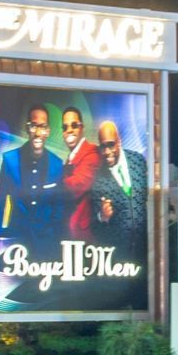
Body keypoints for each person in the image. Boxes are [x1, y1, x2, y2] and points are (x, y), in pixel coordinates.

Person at [0, 103, 62, 248]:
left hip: (47, 245)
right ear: (27, 128)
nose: (38, 133)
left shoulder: (57, 164)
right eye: (34, 126)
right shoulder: (9, 160)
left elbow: (59, 208)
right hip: (14, 242)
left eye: (43, 127)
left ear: (48, 131)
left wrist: (56, 239)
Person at [90, 120, 148, 263]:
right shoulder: (97, 180)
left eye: (110, 145)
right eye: (102, 147)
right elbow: (95, 226)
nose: (107, 152)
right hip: (120, 257)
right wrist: (102, 216)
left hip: (145, 251)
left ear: (119, 141)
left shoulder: (138, 161)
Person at [53, 106, 99, 241]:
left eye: (74, 125)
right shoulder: (70, 158)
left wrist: (49, 180)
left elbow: (77, 185)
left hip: (84, 236)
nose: (69, 130)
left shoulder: (93, 152)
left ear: (82, 127)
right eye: (65, 127)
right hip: (70, 236)